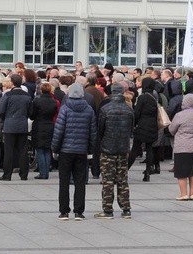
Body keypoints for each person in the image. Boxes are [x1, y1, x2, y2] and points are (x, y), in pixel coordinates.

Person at [51, 83, 97, 221]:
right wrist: (90, 149)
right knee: (80, 182)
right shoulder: (89, 110)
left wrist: (55, 148)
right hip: (81, 150)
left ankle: (64, 211)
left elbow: (59, 131)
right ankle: (79, 211)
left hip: (66, 150)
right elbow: (92, 132)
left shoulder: (65, 109)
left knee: (64, 182)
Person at [95, 82, 134, 219]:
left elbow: (100, 129)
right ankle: (126, 209)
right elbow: (131, 130)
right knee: (123, 180)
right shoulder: (129, 109)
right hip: (123, 148)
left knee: (108, 180)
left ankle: (107, 210)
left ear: (111, 92)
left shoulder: (105, 109)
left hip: (107, 148)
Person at [168, 94, 193, 201]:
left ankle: (183, 194)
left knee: (182, 172)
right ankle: (192, 194)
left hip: (183, 147)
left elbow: (172, 129)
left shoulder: (180, 115)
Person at [0, 74, 32, 181]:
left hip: (9, 125)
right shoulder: (27, 96)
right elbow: (31, 112)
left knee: (9, 150)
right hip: (22, 125)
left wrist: (6, 118)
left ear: (12, 83)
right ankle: (24, 174)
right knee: (23, 150)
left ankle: (7, 175)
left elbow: (1, 110)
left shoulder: (7, 95)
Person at [127, 78, 159, 182]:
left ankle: (125, 170)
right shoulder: (155, 97)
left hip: (142, 125)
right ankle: (148, 173)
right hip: (153, 125)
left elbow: (137, 113)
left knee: (135, 149)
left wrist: (134, 124)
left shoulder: (143, 97)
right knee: (149, 149)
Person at [30, 82, 58, 180]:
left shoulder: (37, 101)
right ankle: (46, 171)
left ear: (41, 90)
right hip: (50, 125)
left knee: (40, 149)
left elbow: (32, 115)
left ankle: (43, 172)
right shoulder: (54, 102)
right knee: (47, 149)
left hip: (39, 125)